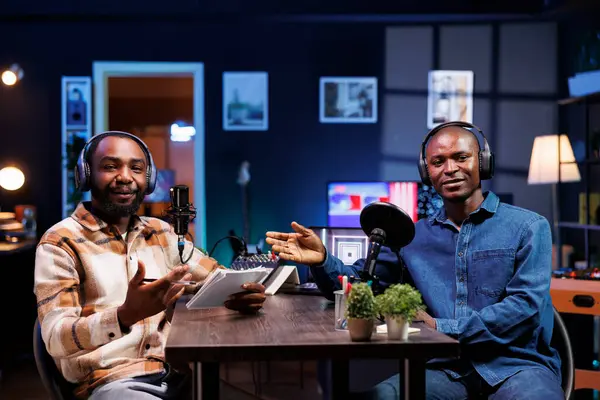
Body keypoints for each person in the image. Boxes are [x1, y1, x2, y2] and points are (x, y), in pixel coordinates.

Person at [266, 121, 563, 399]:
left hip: (518, 368)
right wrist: (322, 259)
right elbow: (359, 287)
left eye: (461, 157)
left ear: (483, 162)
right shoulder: (410, 238)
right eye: (438, 162)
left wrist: (439, 326)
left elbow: (525, 309)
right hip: (444, 370)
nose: (450, 169)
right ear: (427, 172)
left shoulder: (529, 227)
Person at [34, 131, 267, 400]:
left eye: (136, 168)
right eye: (110, 166)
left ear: (149, 178)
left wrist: (239, 292)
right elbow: (54, 338)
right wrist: (124, 315)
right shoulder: (60, 242)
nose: (125, 177)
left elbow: (215, 277)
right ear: (86, 175)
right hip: (113, 383)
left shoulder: (161, 232)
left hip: (180, 374)